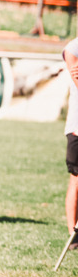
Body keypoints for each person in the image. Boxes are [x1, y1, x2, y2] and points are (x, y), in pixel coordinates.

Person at [63, 38, 78, 248]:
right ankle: (73, 236)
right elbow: (69, 51)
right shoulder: (74, 48)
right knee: (76, 182)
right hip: (77, 128)